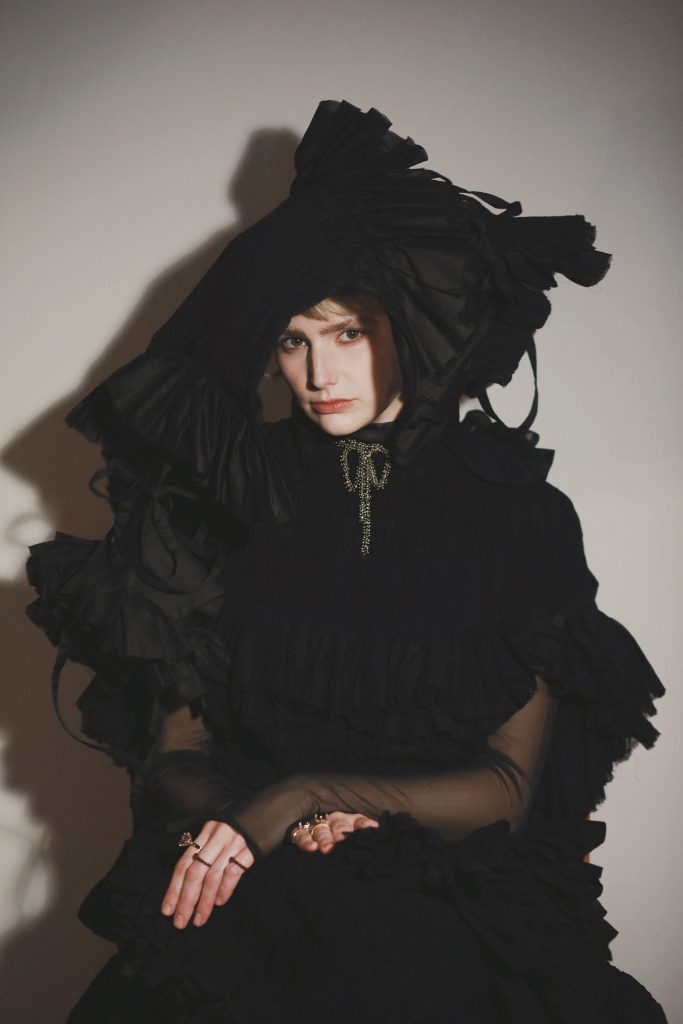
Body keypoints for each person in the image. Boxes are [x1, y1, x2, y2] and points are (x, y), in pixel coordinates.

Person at [26, 100, 667, 1023]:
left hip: (439, 879)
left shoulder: (517, 517)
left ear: (409, 327)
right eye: (292, 340)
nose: (318, 375)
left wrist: (310, 795)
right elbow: (176, 757)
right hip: (250, 863)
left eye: (349, 333)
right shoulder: (211, 503)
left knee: (408, 965)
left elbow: (508, 788)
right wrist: (255, 820)